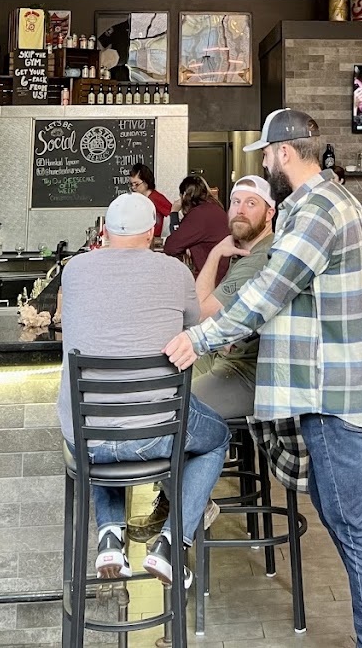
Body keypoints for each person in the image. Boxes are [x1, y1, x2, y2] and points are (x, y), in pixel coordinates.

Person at [164, 108, 362, 648]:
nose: (266, 168)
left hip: (335, 390)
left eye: (267, 158)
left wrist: (198, 339)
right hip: (334, 385)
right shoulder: (325, 201)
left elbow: (268, 292)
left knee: (357, 524)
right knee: (340, 513)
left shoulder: (318, 210)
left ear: (284, 153)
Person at [58, 193, 229, 586]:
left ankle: (109, 536)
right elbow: (193, 323)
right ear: (153, 232)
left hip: (86, 438)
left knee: (100, 424)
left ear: (104, 230)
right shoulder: (175, 272)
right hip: (157, 434)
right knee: (217, 437)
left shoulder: (74, 269)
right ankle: (171, 543)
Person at [190, 175, 277, 419]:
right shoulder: (247, 251)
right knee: (162, 383)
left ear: (269, 214)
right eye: (236, 202)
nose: (240, 210)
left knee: (174, 409)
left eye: (251, 203)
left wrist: (215, 253)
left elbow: (200, 314)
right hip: (225, 354)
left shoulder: (259, 259)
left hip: (248, 370)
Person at [163, 175, 230, 276]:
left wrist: (174, 212)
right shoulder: (216, 209)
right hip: (221, 273)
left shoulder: (198, 215)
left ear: (184, 196)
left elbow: (171, 246)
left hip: (207, 277)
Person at [128, 163, 173, 236]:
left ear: (146, 182)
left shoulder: (156, 198)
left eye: (136, 184)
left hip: (152, 238)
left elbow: (174, 213)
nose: (133, 187)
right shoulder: (137, 198)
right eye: (131, 184)